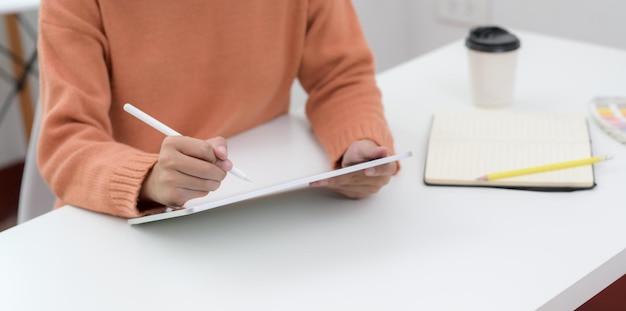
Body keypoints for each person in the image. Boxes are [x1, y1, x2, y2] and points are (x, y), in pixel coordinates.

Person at [37, 0, 398, 218]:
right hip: (115, 231)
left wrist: (358, 145)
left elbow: (340, 77)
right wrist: (150, 180)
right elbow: (66, 142)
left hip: (260, 212)